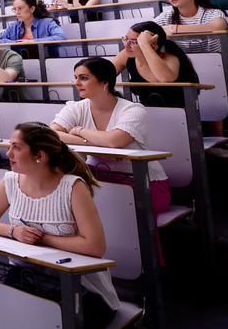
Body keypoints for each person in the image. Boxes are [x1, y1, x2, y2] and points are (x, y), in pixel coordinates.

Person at [0, 123, 119, 329]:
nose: (9, 153)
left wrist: (43, 239)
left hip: (80, 288)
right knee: (0, 325)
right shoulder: (11, 182)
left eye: (16, 147)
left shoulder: (73, 187)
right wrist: (14, 231)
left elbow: (95, 246)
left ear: (39, 155)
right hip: (27, 278)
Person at [51, 58, 170, 214]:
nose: (77, 83)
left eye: (84, 78)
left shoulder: (133, 110)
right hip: (98, 176)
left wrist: (79, 130)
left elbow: (114, 141)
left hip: (142, 181)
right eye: (76, 77)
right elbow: (52, 133)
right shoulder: (76, 107)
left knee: (106, 205)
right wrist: (93, 144)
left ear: (104, 82)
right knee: (62, 192)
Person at [112, 21, 201, 109]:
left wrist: (145, 44)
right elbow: (103, 74)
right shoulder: (126, 55)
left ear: (154, 46)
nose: (126, 45)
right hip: (146, 113)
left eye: (134, 42)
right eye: (126, 39)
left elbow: (165, 79)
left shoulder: (170, 58)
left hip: (181, 115)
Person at [151, 0, 228, 53]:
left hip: (217, 62)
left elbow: (219, 27)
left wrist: (173, 29)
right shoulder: (167, 15)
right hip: (183, 64)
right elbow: (144, 28)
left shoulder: (212, 12)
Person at [0, 0, 66, 43]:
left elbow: (61, 37)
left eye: (20, 8)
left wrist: (33, 41)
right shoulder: (13, 26)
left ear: (32, 9)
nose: (17, 12)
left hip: (47, 59)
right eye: (14, 9)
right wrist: (15, 43)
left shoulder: (48, 22)